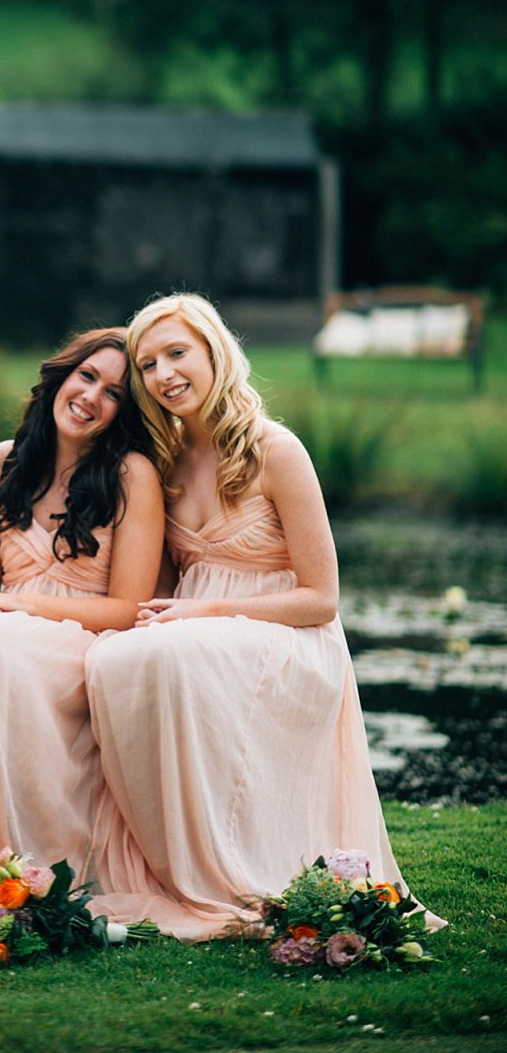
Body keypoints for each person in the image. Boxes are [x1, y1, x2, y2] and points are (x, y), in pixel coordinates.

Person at [86, 293, 441, 940]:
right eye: (148, 365)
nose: (164, 374)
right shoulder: (162, 466)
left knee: (171, 652)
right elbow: (162, 586)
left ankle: (229, 871)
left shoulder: (277, 450)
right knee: (114, 656)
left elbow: (322, 598)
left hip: (289, 635)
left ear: (215, 352)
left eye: (176, 354)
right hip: (202, 631)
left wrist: (212, 610)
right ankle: (170, 861)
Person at [0, 328, 164, 887]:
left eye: (114, 393)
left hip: (83, 638)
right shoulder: (2, 464)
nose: (91, 396)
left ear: (124, 413)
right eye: (87, 376)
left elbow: (128, 608)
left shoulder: (132, 474)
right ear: (62, 375)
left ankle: (15, 866)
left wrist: (19, 608)